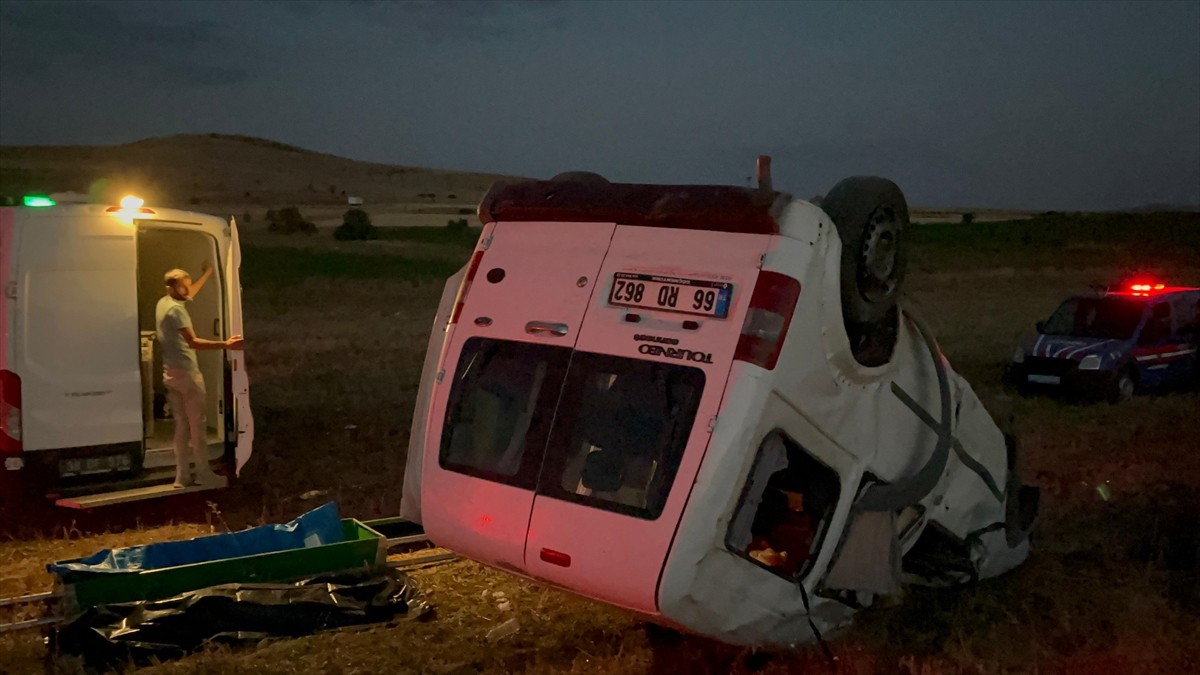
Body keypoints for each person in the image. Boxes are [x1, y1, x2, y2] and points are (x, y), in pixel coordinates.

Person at [156, 261, 244, 488]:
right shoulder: (177, 312)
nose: (188, 289)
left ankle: (182, 476)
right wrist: (226, 344)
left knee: (181, 426)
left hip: (170, 373)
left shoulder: (164, 303)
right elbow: (194, 342)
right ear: (174, 287)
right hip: (187, 373)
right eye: (184, 286)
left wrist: (207, 274)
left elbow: (189, 292)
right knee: (198, 425)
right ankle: (203, 473)